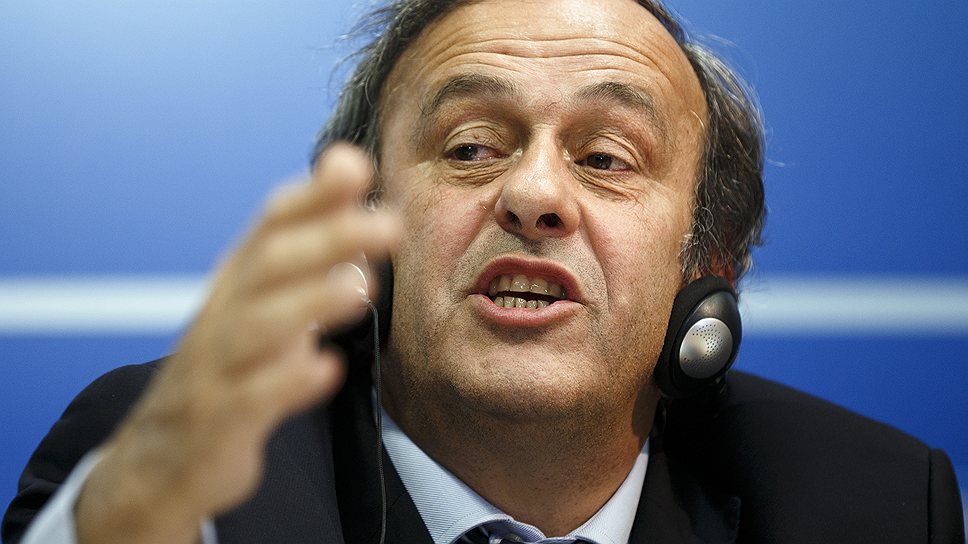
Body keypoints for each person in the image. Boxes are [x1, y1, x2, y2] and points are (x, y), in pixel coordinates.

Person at [3, 0, 964, 542]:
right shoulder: (186, 469)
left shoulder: (866, 505)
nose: (535, 194)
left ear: (708, 266)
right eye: (469, 148)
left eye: (606, 157)